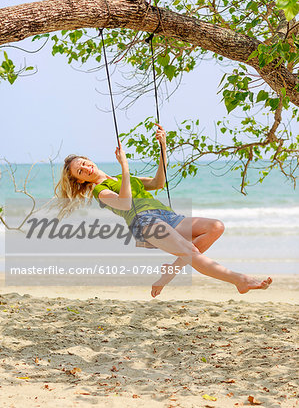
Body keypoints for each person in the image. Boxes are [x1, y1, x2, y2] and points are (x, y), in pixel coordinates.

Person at [55, 124, 272, 298]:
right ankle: (240, 280)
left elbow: (159, 183)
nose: (86, 168)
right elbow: (125, 203)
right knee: (190, 251)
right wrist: (125, 165)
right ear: (80, 180)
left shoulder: (122, 179)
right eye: (80, 171)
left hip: (167, 215)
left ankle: (171, 270)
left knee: (215, 227)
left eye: (83, 163)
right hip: (144, 223)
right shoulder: (100, 190)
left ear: (89, 159)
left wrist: (163, 148)